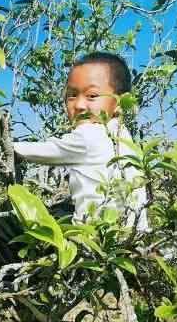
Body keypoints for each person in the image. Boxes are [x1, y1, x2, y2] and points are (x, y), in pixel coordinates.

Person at [13, 52, 149, 231]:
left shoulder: (90, 134)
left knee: (10, 218)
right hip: (133, 240)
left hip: (96, 240)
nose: (79, 105)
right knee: (62, 209)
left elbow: (29, 150)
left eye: (92, 96)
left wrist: (4, 142)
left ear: (119, 102)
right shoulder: (123, 134)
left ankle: (3, 261)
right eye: (71, 95)